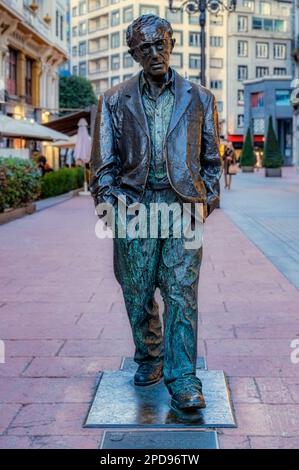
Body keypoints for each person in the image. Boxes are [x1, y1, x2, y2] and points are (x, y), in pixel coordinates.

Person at [90, 14, 222, 412]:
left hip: (182, 208)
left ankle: (183, 377)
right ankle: (149, 355)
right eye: (145, 47)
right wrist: (113, 206)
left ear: (172, 42)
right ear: (134, 53)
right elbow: (101, 167)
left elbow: (212, 161)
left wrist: (206, 201)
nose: (155, 53)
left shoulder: (200, 98)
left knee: (182, 293)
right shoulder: (114, 100)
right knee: (138, 291)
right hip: (135, 208)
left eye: (160, 43)